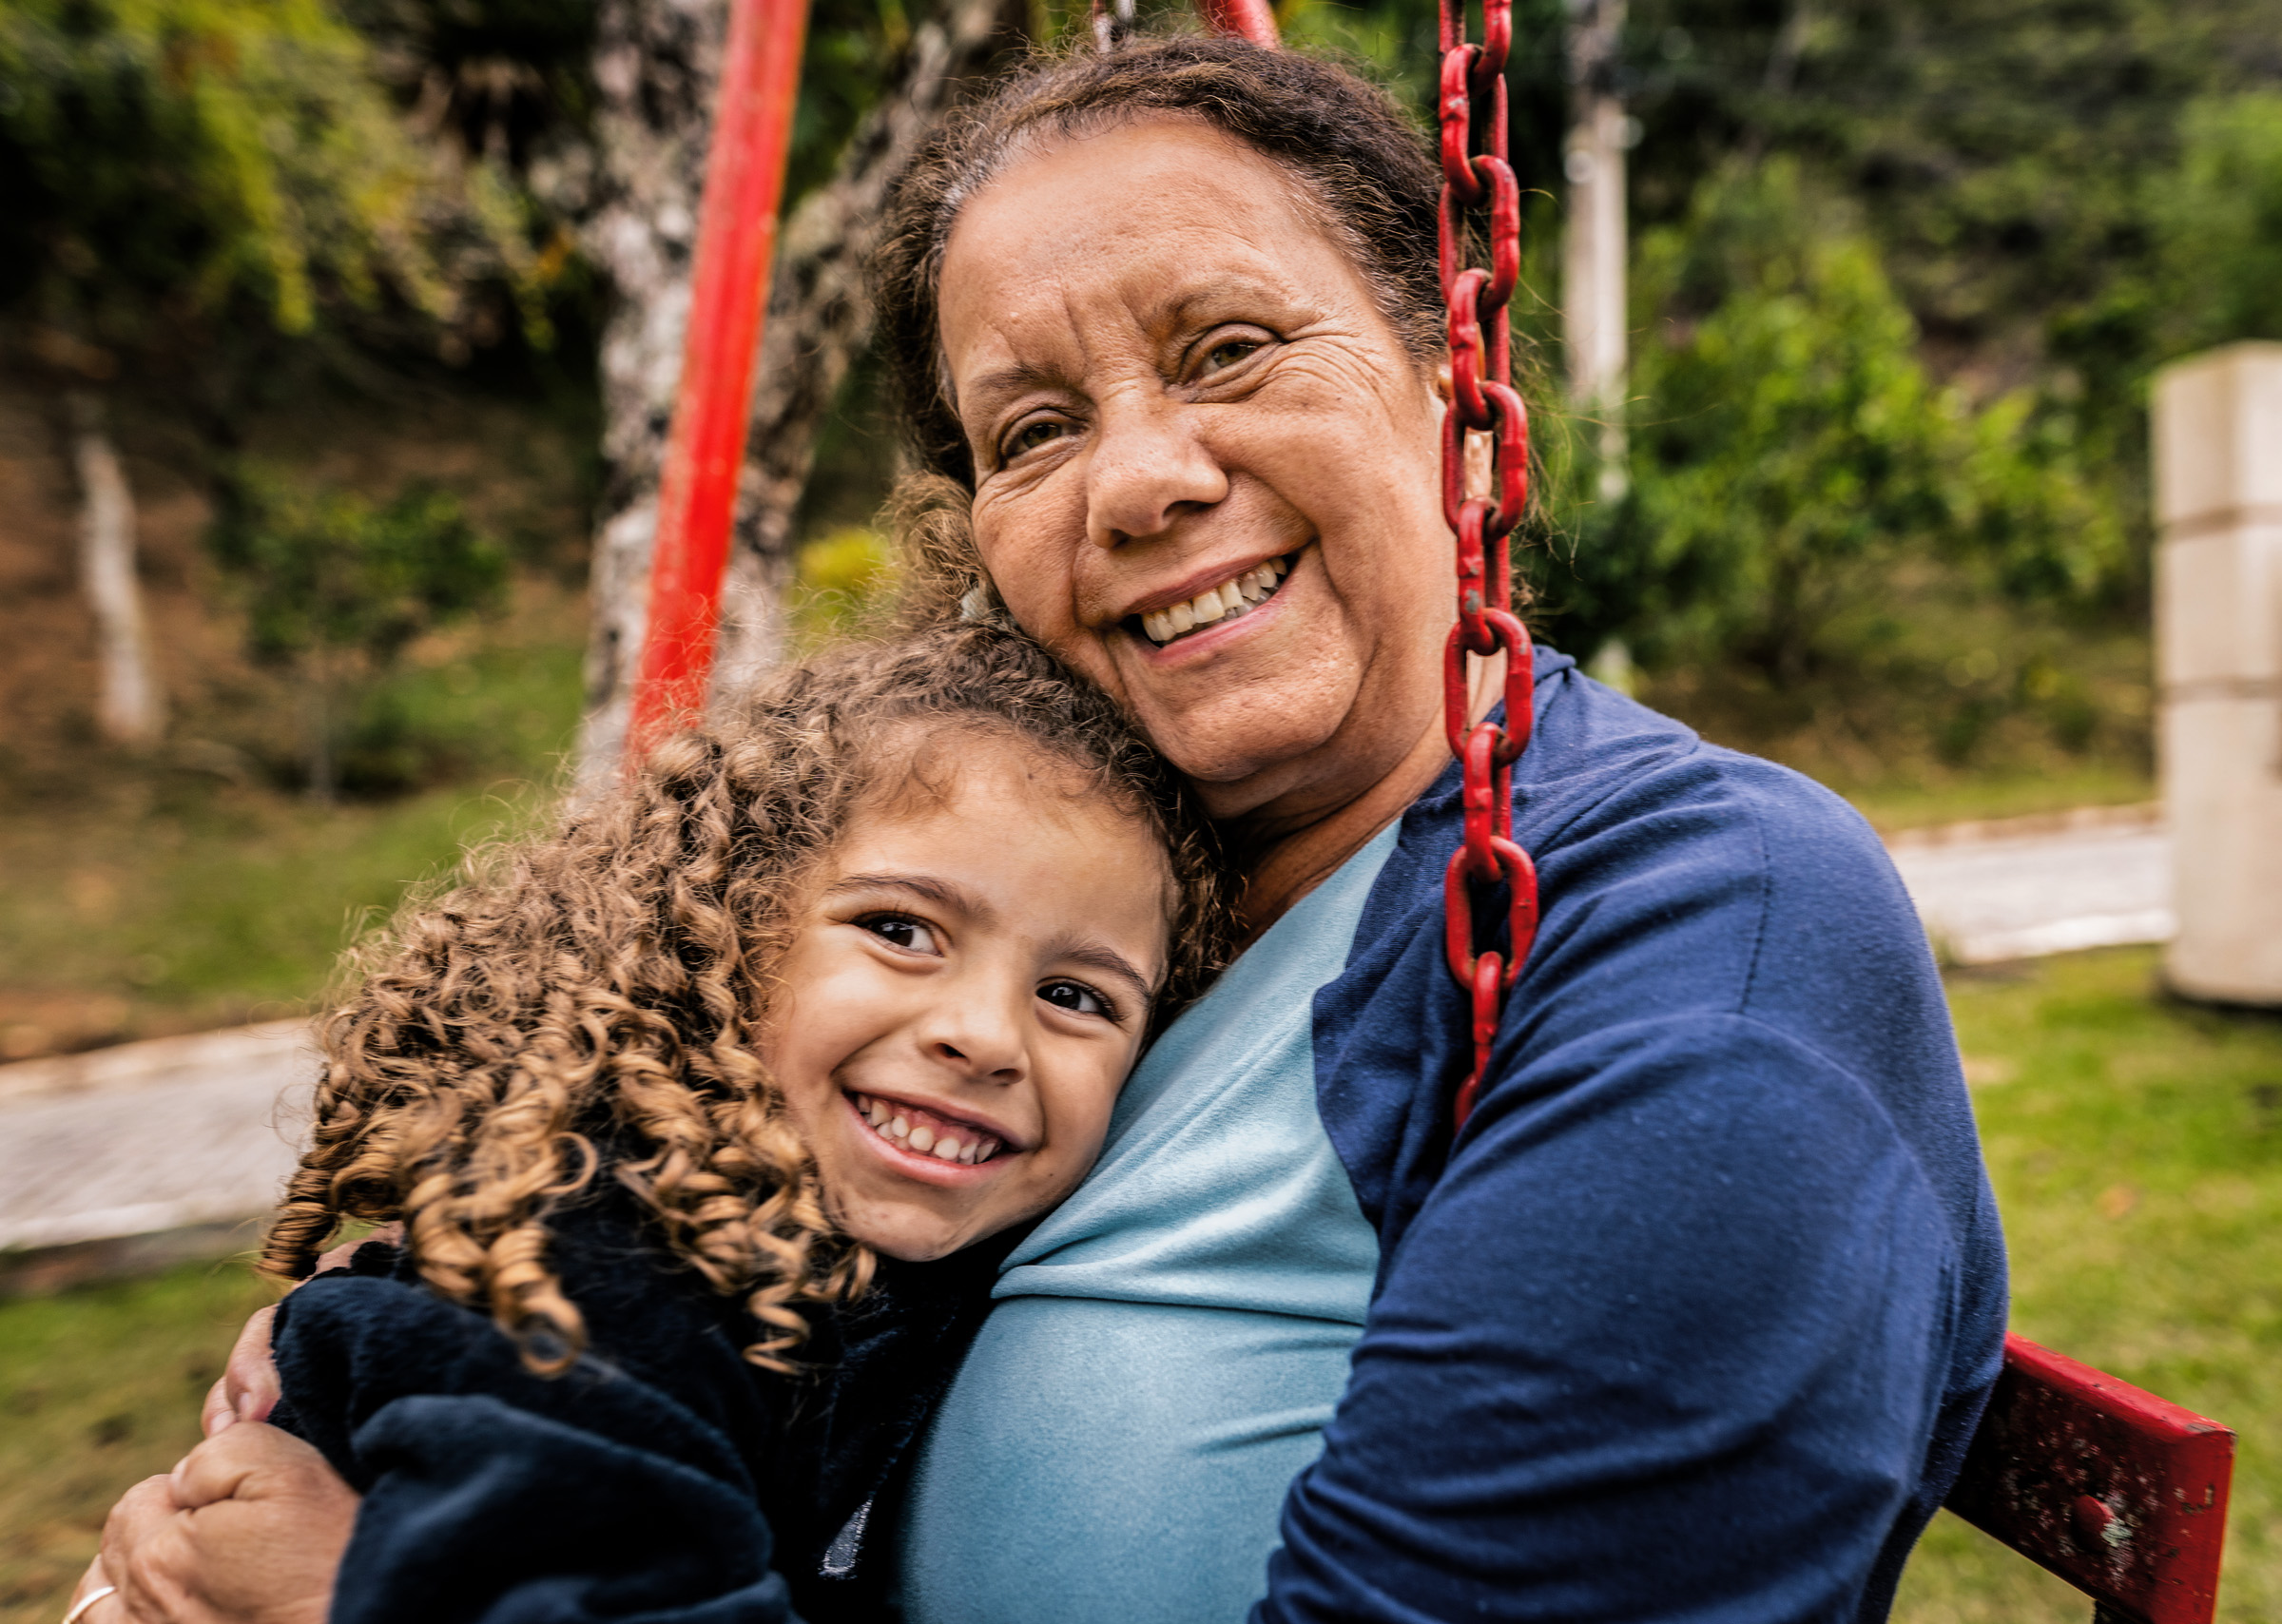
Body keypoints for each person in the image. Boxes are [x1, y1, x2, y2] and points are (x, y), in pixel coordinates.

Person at [84, 34, 2007, 1624]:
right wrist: (412, 1350)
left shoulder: (1697, 923)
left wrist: (388, 1589)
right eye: (1032, 431)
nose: (1145, 479)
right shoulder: (1077, 889)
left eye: (1230, 347)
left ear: (1466, 405)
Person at [70, 626, 1227, 1624]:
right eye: (902, 929)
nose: (985, 1034)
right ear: (720, 943)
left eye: (1077, 996)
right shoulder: (611, 1264)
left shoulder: (881, 1264)